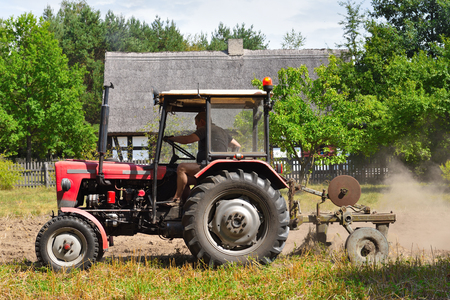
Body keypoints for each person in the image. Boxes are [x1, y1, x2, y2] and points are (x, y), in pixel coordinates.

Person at [164, 112, 240, 204]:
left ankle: (176, 199)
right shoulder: (222, 130)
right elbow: (236, 145)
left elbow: (188, 139)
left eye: (197, 124)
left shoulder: (205, 129)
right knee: (184, 180)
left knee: (181, 168)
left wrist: (172, 139)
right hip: (216, 166)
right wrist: (229, 159)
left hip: (209, 166)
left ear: (202, 121)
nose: (196, 128)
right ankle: (187, 204)